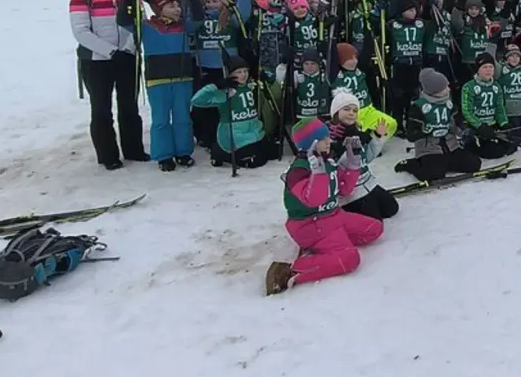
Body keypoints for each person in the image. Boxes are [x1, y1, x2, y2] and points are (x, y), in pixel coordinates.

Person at [265, 117, 384, 295]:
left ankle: (327, 247)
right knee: (350, 258)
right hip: (310, 225)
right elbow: (314, 200)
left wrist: (353, 164)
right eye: (322, 139)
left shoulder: (328, 160)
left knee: (374, 228)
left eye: (327, 136)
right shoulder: (298, 170)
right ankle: (291, 270)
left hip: (334, 215)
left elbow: (344, 190)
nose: (329, 141)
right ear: (310, 144)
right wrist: (318, 173)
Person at [69, 0, 148, 170]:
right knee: (101, 109)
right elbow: (81, 31)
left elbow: (140, 23)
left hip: (128, 57)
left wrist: (129, 47)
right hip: (96, 61)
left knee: (129, 106)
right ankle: (108, 155)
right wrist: (111, 52)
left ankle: (134, 149)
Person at [119, 0, 196, 171]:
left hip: (182, 78)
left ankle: (183, 152)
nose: (177, 9)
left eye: (177, 5)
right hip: (157, 80)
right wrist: (127, 2)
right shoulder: (146, 26)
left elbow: (199, 18)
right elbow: (123, 21)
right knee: (161, 119)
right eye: (171, 6)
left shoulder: (185, 25)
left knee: (183, 117)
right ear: (158, 9)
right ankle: (164, 155)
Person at [396, 67, 483, 182]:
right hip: (429, 149)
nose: (449, 89)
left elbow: (457, 123)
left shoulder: (449, 103)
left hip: (451, 147)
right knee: (433, 175)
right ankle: (412, 164)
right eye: (445, 87)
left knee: (474, 164)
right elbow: (411, 135)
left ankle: (446, 163)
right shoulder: (419, 107)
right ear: (435, 90)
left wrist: (464, 131)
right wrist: (424, 131)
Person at [190, 56, 269, 168]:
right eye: (239, 72)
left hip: (255, 133)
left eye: (245, 71)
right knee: (255, 160)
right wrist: (216, 86)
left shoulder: (250, 87)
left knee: (269, 153)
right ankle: (221, 153)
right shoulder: (226, 91)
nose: (243, 75)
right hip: (236, 137)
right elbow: (196, 100)